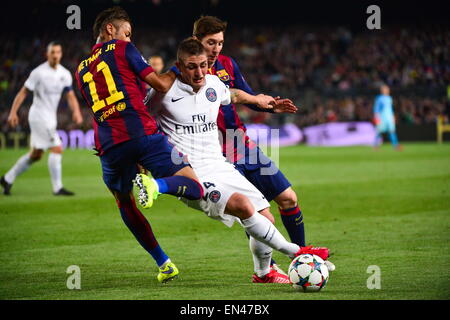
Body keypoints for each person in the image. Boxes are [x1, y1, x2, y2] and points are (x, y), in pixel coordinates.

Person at [144, 38, 333, 283]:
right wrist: (144, 162)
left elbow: (231, 95)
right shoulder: (163, 92)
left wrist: (258, 100)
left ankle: (263, 273)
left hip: (221, 166)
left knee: (265, 217)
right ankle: (298, 253)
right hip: (190, 173)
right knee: (243, 205)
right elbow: (141, 122)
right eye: (192, 66)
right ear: (179, 65)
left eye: (203, 65)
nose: (199, 72)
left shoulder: (212, 84)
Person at [74, 6, 204, 283]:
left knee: (124, 202)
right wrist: (176, 68)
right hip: (142, 135)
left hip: (109, 147)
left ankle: (164, 263)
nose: (130, 39)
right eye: (127, 33)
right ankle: (158, 186)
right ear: (110, 29)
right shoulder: (123, 50)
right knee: (194, 186)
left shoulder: (81, 69)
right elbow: (159, 84)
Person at [192, 16, 311, 253]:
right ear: (196, 41)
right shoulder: (186, 72)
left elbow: (248, 96)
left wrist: (269, 105)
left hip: (241, 143)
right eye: (211, 42)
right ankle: (268, 269)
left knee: (289, 198)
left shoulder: (227, 63)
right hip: (216, 152)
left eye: (220, 43)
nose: (216, 49)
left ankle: (304, 256)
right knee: (255, 212)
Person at [1, 41, 83, 196]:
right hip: (38, 116)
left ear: (61, 54)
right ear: (47, 54)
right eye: (52, 52)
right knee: (57, 148)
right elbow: (23, 92)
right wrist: (13, 112)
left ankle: (7, 178)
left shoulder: (64, 74)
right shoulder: (38, 73)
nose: (55, 55)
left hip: (50, 118)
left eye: (58, 52)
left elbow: (70, 95)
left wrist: (77, 112)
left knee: (36, 155)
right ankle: (57, 188)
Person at [373, 85, 402, 150]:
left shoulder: (389, 98)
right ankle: (375, 145)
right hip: (382, 117)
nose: (387, 90)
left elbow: (390, 109)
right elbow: (376, 108)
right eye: (386, 89)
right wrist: (376, 117)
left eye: (388, 89)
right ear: (382, 90)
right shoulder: (379, 98)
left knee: (392, 131)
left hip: (389, 117)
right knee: (379, 131)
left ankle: (396, 145)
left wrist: (393, 116)